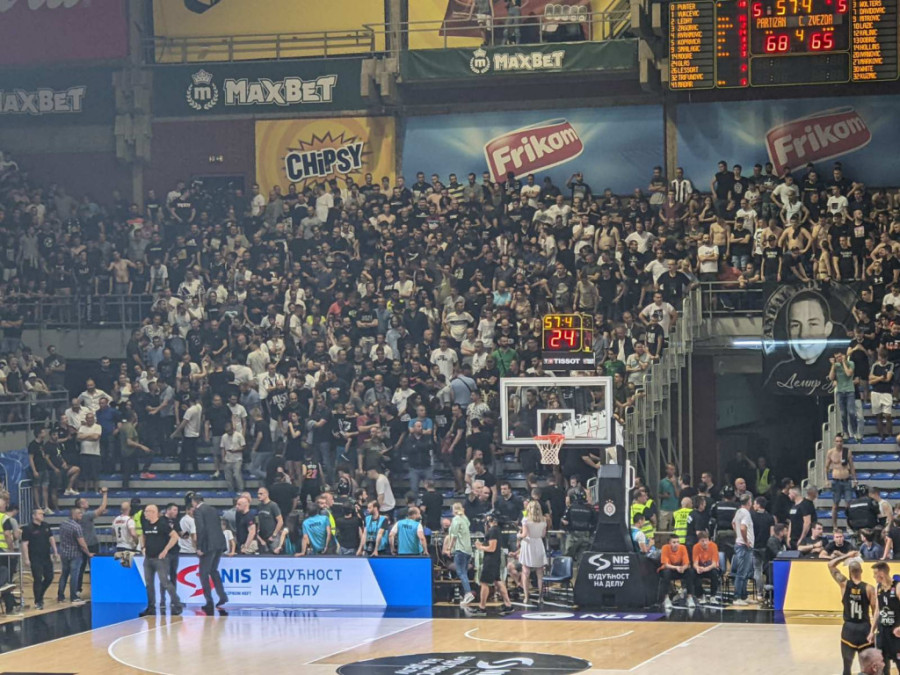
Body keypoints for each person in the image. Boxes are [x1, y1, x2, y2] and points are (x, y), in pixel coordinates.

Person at [828, 551, 875, 675]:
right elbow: (876, 612)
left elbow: (831, 564)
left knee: (847, 668)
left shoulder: (844, 584)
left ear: (849, 571)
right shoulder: (869, 588)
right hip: (864, 628)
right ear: (861, 571)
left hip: (849, 629)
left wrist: (847, 555)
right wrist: (874, 631)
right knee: (867, 669)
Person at [138, 504, 183, 617]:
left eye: (147, 511)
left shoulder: (162, 524)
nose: (145, 513)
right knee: (149, 584)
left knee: (165, 583)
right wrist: (143, 547)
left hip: (160, 559)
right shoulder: (145, 523)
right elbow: (143, 535)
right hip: (148, 558)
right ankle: (151, 607)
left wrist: (165, 550)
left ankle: (177, 604)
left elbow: (175, 536)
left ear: (153, 512)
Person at [192, 492, 228, 613]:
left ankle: (209, 601)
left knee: (203, 573)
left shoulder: (198, 511)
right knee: (213, 570)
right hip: (219, 543)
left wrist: (199, 547)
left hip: (208, 545)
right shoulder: (212, 509)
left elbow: (200, 529)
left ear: (194, 502)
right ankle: (222, 596)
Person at [470, 513, 513, 616]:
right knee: (498, 581)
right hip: (495, 559)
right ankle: (508, 605)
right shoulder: (495, 530)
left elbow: (492, 548)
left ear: (493, 520)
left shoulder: (494, 530)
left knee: (484, 583)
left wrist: (479, 547)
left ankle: (482, 607)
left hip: (491, 560)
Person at [21, 507, 58, 610]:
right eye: (40, 514)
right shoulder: (28, 528)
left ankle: (40, 594)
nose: (42, 516)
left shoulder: (46, 526)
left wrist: (55, 551)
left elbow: (51, 538)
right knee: (37, 578)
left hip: (46, 556)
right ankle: (38, 601)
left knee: (49, 577)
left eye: (43, 514)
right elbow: (25, 544)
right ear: (34, 516)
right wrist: (26, 558)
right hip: (35, 557)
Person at [518, 500, 548, 606]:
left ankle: (526, 597)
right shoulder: (544, 519)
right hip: (539, 544)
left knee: (525, 572)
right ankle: (541, 597)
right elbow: (543, 534)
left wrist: (518, 535)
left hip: (528, 544)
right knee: (540, 574)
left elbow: (524, 534)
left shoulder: (525, 519)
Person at [57, 508, 90, 604]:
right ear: (73, 514)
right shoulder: (77, 527)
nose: (81, 515)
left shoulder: (63, 524)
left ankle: (60, 596)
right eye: (79, 513)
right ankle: (74, 597)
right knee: (74, 576)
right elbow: (82, 543)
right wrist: (88, 553)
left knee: (64, 574)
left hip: (64, 553)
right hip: (75, 554)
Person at [872, 561, 900, 673]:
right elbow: (877, 610)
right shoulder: (878, 588)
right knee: (882, 666)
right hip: (882, 632)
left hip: (896, 634)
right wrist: (871, 631)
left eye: (875, 574)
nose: (874, 577)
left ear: (881, 574)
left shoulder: (897, 586)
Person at [445, 502, 474, 605]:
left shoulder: (456, 520)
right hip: (468, 550)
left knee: (461, 573)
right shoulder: (465, 519)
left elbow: (454, 536)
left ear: (453, 510)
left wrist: (449, 548)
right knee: (464, 573)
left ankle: (468, 593)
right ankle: (466, 593)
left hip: (460, 549)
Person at [826, 434, 857, 530]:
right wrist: (826, 479)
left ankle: (849, 524)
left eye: (841, 441)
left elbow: (851, 466)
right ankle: (835, 525)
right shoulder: (830, 452)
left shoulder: (847, 452)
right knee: (835, 504)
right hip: (836, 481)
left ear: (843, 442)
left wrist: (855, 479)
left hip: (846, 480)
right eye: (837, 441)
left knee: (848, 504)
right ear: (835, 442)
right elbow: (826, 467)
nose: (839, 443)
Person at [659, 534, 694, 609]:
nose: (676, 544)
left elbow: (687, 563)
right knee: (666, 572)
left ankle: (689, 597)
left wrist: (683, 568)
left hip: (679, 570)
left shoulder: (683, 547)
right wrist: (676, 567)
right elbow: (666, 565)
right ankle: (666, 599)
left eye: (678, 542)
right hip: (668, 570)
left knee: (690, 572)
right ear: (669, 543)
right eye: (674, 542)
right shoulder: (665, 548)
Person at [691, 530, 719, 603]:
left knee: (714, 573)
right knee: (693, 573)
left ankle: (713, 596)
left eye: (706, 540)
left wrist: (706, 569)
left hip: (710, 568)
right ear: (699, 541)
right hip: (701, 568)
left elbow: (714, 564)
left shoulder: (713, 546)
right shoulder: (696, 547)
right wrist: (697, 568)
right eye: (702, 541)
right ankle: (701, 595)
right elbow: (695, 563)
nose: (705, 543)